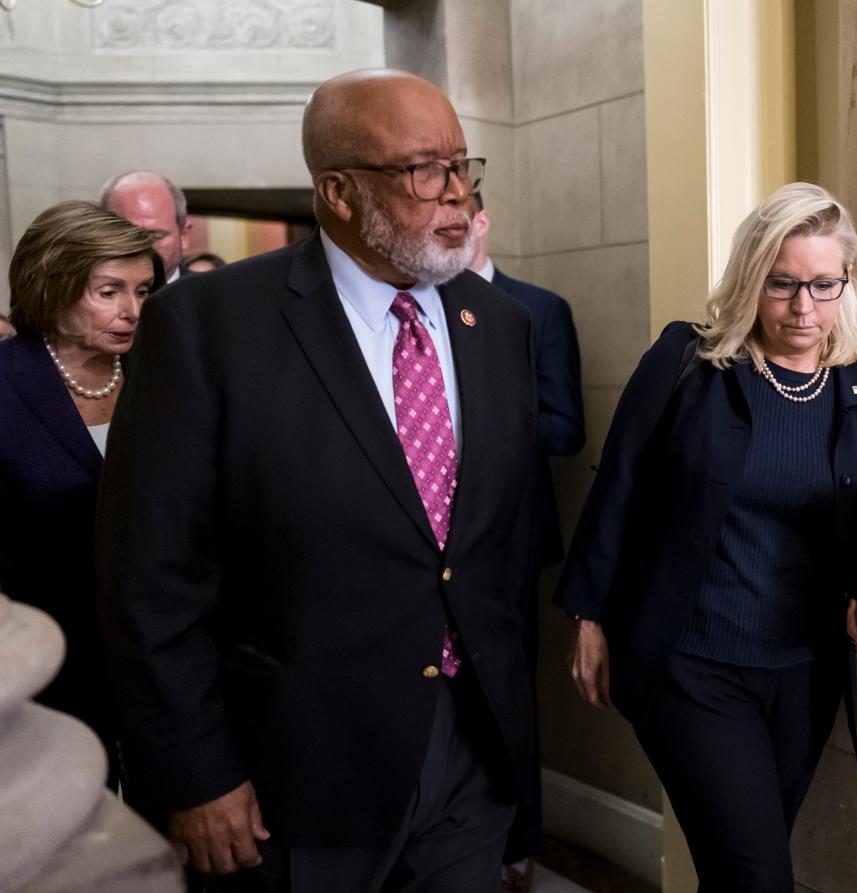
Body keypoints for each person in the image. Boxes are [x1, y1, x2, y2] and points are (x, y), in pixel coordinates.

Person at [96, 69, 540, 892]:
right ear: (338, 191)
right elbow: (151, 579)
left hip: (469, 757)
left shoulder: (500, 326)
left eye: (460, 166)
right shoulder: (207, 327)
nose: (454, 195)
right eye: (423, 171)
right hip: (294, 779)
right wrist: (195, 774)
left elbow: (498, 546)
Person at [555, 182, 857, 891]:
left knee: (739, 867)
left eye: (822, 284)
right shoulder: (688, 364)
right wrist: (588, 615)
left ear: (848, 283)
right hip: (692, 666)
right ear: (753, 277)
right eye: (782, 284)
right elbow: (618, 483)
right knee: (758, 879)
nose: (802, 307)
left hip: (805, 672)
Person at [0, 201, 162, 788]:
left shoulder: (164, 371)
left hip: (161, 662)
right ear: (52, 283)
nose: (133, 311)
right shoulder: (5, 380)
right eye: (109, 291)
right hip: (49, 671)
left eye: (143, 291)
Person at [464, 190, 585, 891]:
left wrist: (473, 429)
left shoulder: (540, 309)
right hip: (421, 543)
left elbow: (567, 427)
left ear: (484, 221)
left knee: (508, 696)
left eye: (462, 218)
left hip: (508, 541)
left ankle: (515, 848)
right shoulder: (404, 310)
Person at [100, 170, 193, 284]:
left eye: (156, 237)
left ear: (184, 235)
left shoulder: (213, 298)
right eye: (128, 237)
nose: (143, 248)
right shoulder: (80, 297)